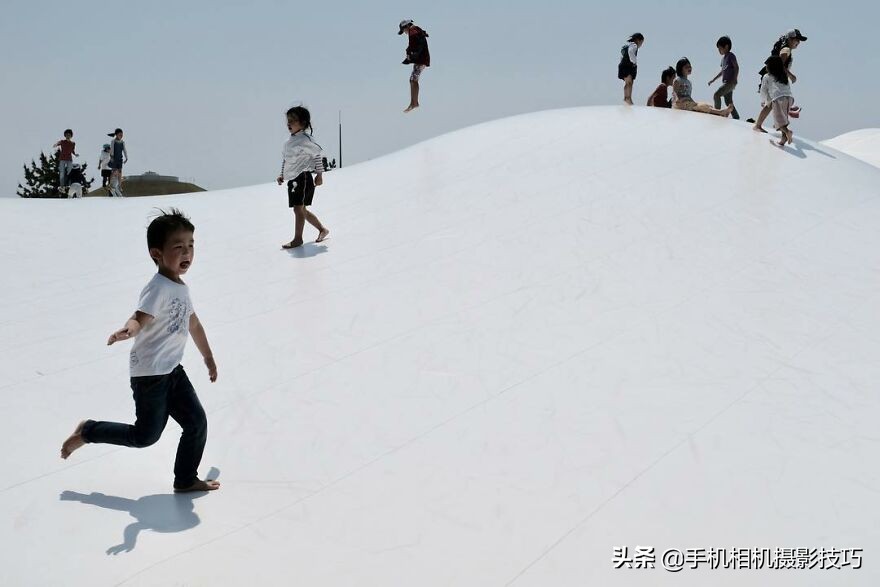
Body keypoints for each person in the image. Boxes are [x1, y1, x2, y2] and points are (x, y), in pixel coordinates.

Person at [60, 209, 220, 494]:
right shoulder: (157, 288)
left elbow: (193, 323)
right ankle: (89, 431)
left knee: (196, 422)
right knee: (145, 436)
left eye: (191, 245)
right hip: (150, 375)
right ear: (156, 253)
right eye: (178, 246)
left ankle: (185, 479)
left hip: (172, 371)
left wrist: (207, 357)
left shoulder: (182, 288)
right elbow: (139, 317)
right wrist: (129, 329)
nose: (187, 252)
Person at [276, 106, 329, 249]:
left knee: (298, 209)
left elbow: (317, 155)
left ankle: (298, 239)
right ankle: (322, 229)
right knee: (301, 210)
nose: (289, 123)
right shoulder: (288, 143)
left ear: (303, 123)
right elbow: (286, 160)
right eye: (288, 120)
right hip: (293, 178)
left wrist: (319, 175)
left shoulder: (306, 139)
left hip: (304, 177)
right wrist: (282, 174)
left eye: (293, 121)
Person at [753, 29, 807, 133]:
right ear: (790, 39)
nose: (798, 43)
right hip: (774, 79)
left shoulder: (784, 48)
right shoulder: (786, 49)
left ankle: (761, 125)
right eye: (797, 40)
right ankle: (777, 122)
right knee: (776, 100)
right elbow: (779, 64)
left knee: (771, 103)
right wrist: (791, 76)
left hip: (773, 78)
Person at [760, 56, 795, 146]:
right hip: (789, 98)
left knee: (778, 121)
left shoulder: (767, 76)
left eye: (767, 65)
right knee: (783, 119)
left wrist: (763, 100)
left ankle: (788, 132)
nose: (766, 67)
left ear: (771, 67)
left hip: (778, 99)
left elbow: (763, 90)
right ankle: (783, 139)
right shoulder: (783, 75)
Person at [399, 19, 430, 113]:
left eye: (403, 31)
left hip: (421, 60)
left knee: (413, 80)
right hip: (421, 59)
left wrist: (414, 54)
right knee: (413, 80)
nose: (404, 33)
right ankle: (413, 102)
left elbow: (419, 44)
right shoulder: (416, 30)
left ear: (407, 26)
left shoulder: (412, 30)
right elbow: (415, 44)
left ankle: (414, 103)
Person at [708, 36, 740, 119]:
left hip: (730, 82)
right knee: (728, 102)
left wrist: (735, 79)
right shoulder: (723, 59)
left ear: (726, 46)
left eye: (720, 48)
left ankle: (717, 113)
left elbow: (736, 67)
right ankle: (736, 117)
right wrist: (713, 80)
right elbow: (722, 72)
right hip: (726, 82)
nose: (719, 51)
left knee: (716, 95)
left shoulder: (731, 56)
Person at [618, 33, 644, 105]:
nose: (641, 45)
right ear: (638, 40)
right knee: (630, 83)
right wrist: (634, 62)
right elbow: (631, 52)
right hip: (628, 66)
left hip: (623, 65)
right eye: (641, 42)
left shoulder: (627, 46)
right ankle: (628, 98)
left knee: (627, 83)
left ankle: (626, 98)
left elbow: (622, 56)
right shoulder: (634, 45)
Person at [107, 128, 128, 197]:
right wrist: (112, 157)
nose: (121, 136)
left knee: (120, 172)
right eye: (120, 135)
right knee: (114, 171)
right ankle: (110, 185)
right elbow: (112, 149)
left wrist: (126, 157)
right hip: (114, 158)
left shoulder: (122, 142)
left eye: (122, 135)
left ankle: (119, 186)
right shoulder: (113, 141)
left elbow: (124, 150)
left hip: (120, 159)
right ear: (116, 135)